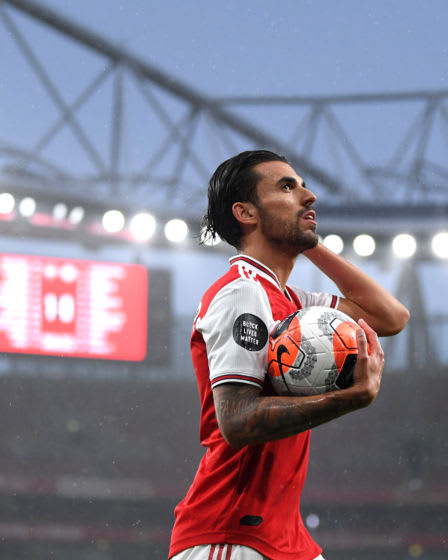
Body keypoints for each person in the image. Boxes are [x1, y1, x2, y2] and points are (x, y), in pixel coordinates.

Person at [169, 150, 409, 560]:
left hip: (282, 538)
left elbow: (390, 316)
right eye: (287, 187)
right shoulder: (242, 291)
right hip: (230, 534)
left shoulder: (292, 301)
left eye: (302, 185)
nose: (309, 195)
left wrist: (307, 240)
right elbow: (238, 421)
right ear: (246, 213)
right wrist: (347, 400)